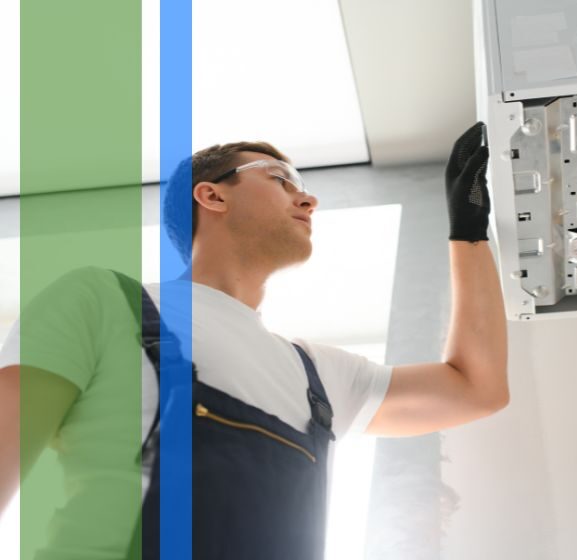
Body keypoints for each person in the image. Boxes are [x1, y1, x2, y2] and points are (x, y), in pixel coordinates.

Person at [0, 122, 508, 558]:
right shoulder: (100, 302)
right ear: (212, 194)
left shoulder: (317, 374)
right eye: (282, 181)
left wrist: (469, 233)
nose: (307, 198)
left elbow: (476, 387)